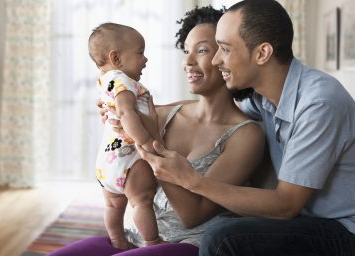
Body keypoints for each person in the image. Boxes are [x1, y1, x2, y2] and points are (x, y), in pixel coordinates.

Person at [137, 1, 355, 255]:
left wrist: (191, 180)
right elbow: (214, 110)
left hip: (342, 229)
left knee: (222, 238)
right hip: (307, 220)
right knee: (225, 221)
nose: (218, 60)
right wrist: (139, 110)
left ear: (262, 53)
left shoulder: (319, 102)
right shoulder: (264, 99)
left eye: (226, 50)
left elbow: (286, 205)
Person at [48, 6, 264, 256]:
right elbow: (125, 134)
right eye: (186, 51)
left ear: (226, 56)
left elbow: (191, 216)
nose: (188, 61)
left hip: (189, 245)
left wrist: (156, 140)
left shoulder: (246, 135)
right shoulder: (164, 112)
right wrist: (112, 116)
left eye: (202, 50)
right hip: (139, 237)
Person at [88, 22, 161, 249]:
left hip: (106, 161)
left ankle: (118, 240)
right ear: (116, 59)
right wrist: (146, 142)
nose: (145, 59)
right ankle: (152, 242)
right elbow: (126, 112)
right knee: (141, 202)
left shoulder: (105, 79)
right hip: (128, 156)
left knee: (112, 205)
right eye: (140, 53)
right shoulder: (123, 81)